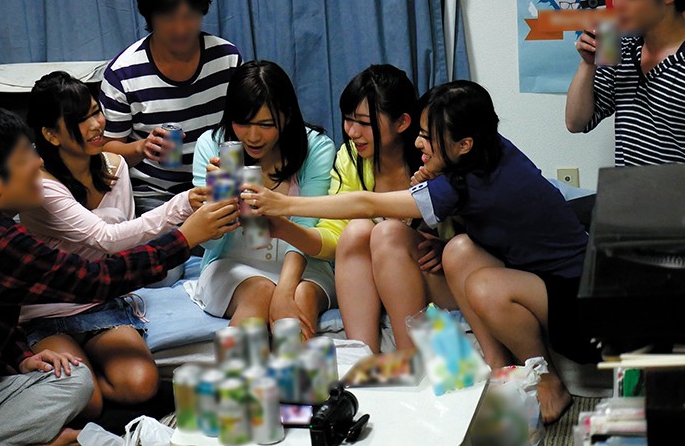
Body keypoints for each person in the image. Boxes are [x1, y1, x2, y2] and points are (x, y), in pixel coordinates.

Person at [243, 81, 597, 424]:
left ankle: (544, 375)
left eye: (427, 136)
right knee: (452, 249)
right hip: (528, 273)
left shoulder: (461, 183)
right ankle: (463, 365)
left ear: (464, 144)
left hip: (575, 295)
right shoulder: (487, 150)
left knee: (479, 282)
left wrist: (284, 204)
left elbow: (367, 203)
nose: (418, 142)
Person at [0, 109, 238, 446]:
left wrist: (21, 357)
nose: (38, 162)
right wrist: (184, 238)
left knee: (75, 379)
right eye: (25, 157)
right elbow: (97, 277)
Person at [18, 72, 209, 418]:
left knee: (140, 384)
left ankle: (83, 380)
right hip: (48, 310)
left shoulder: (116, 166)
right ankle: (68, 385)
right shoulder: (41, 186)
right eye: (80, 119)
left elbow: (124, 243)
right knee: (85, 397)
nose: (96, 125)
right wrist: (184, 210)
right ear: (50, 134)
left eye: (96, 112)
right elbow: (105, 237)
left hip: (100, 299)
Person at [259, 65, 456, 353]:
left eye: (364, 122)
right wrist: (284, 228)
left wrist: (444, 246)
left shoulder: (430, 156)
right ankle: (362, 355)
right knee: (356, 231)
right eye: (348, 120)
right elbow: (334, 237)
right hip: (379, 278)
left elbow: (469, 228)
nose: (351, 131)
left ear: (402, 122)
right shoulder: (351, 159)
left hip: (434, 276)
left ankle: (409, 360)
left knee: (387, 233)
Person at [192, 60, 336, 338]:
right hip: (231, 262)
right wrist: (219, 198)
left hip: (304, 265)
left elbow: (308, 224)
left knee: (301, 297)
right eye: (243, 123)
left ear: (287, 116)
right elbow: (209, 242)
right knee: (259, 291)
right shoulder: (211, 145)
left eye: (266, 124)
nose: (253, 136)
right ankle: (240, 367)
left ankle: (295, 367)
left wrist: (285, 290)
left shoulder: (315, 147)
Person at [101, 0, 242, 215]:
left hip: (219, 185)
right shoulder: (122, 74)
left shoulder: (227, 59)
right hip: (155, 194)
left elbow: (244, 125)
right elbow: (107, 151)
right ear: (150, 17)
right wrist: (142, 147)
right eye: (168, 18)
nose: (181, 28)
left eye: (190, 16)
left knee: (250, 233)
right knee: (169, 240)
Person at [566, 0, 685, 165]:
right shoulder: (618, 44)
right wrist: (588, 63)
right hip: (628, 186)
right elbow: (576, 123)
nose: (618, 3)